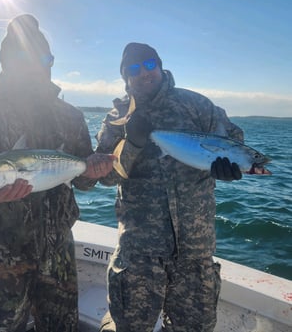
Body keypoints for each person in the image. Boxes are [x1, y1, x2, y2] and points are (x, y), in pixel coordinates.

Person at [0, 14, 114, 332]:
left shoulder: (70, 117)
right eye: (21, 56)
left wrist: (95, 171)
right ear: (4, 60)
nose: (34, 66)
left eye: (43, 58)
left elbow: (81, 180)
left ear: (51, 62)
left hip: (58, 257)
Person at [95, 43, 245, 332]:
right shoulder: (117, 118)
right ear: (126, 78)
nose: (144, 73)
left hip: (195, 254)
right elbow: (105, 177)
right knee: (127, 327)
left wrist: (230, 165)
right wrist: (133, 144)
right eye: (134, 70)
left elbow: (233, 138)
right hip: (138, 253)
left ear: (160, 66)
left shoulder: (196, 105)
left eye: (150, 65)